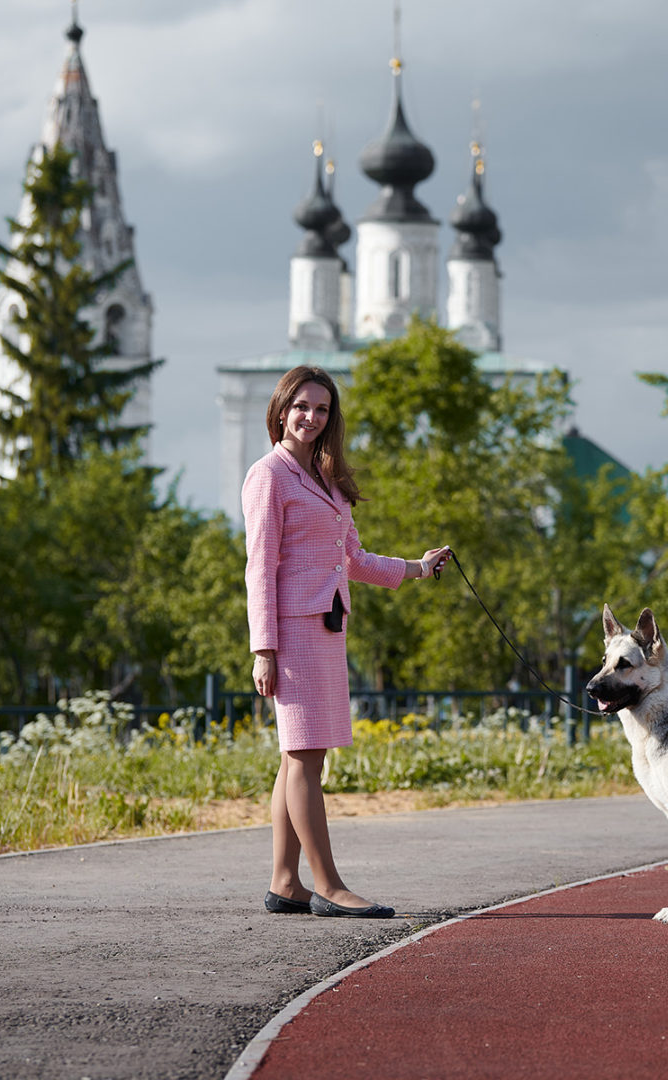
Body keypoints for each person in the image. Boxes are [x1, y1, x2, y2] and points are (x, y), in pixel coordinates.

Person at [242, 365, 451, 919]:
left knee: (297, 760)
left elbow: (354, 560)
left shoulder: (329, 482)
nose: (311, 418)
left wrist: (417, 568)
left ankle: (286, 882)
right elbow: (259, 569)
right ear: (282, 410)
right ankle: (328, 886)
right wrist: (263, 648)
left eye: (322, 409)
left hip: (327, 630)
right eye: (302, 407)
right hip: (291, 634)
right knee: (306, 758)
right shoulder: (269, 476)